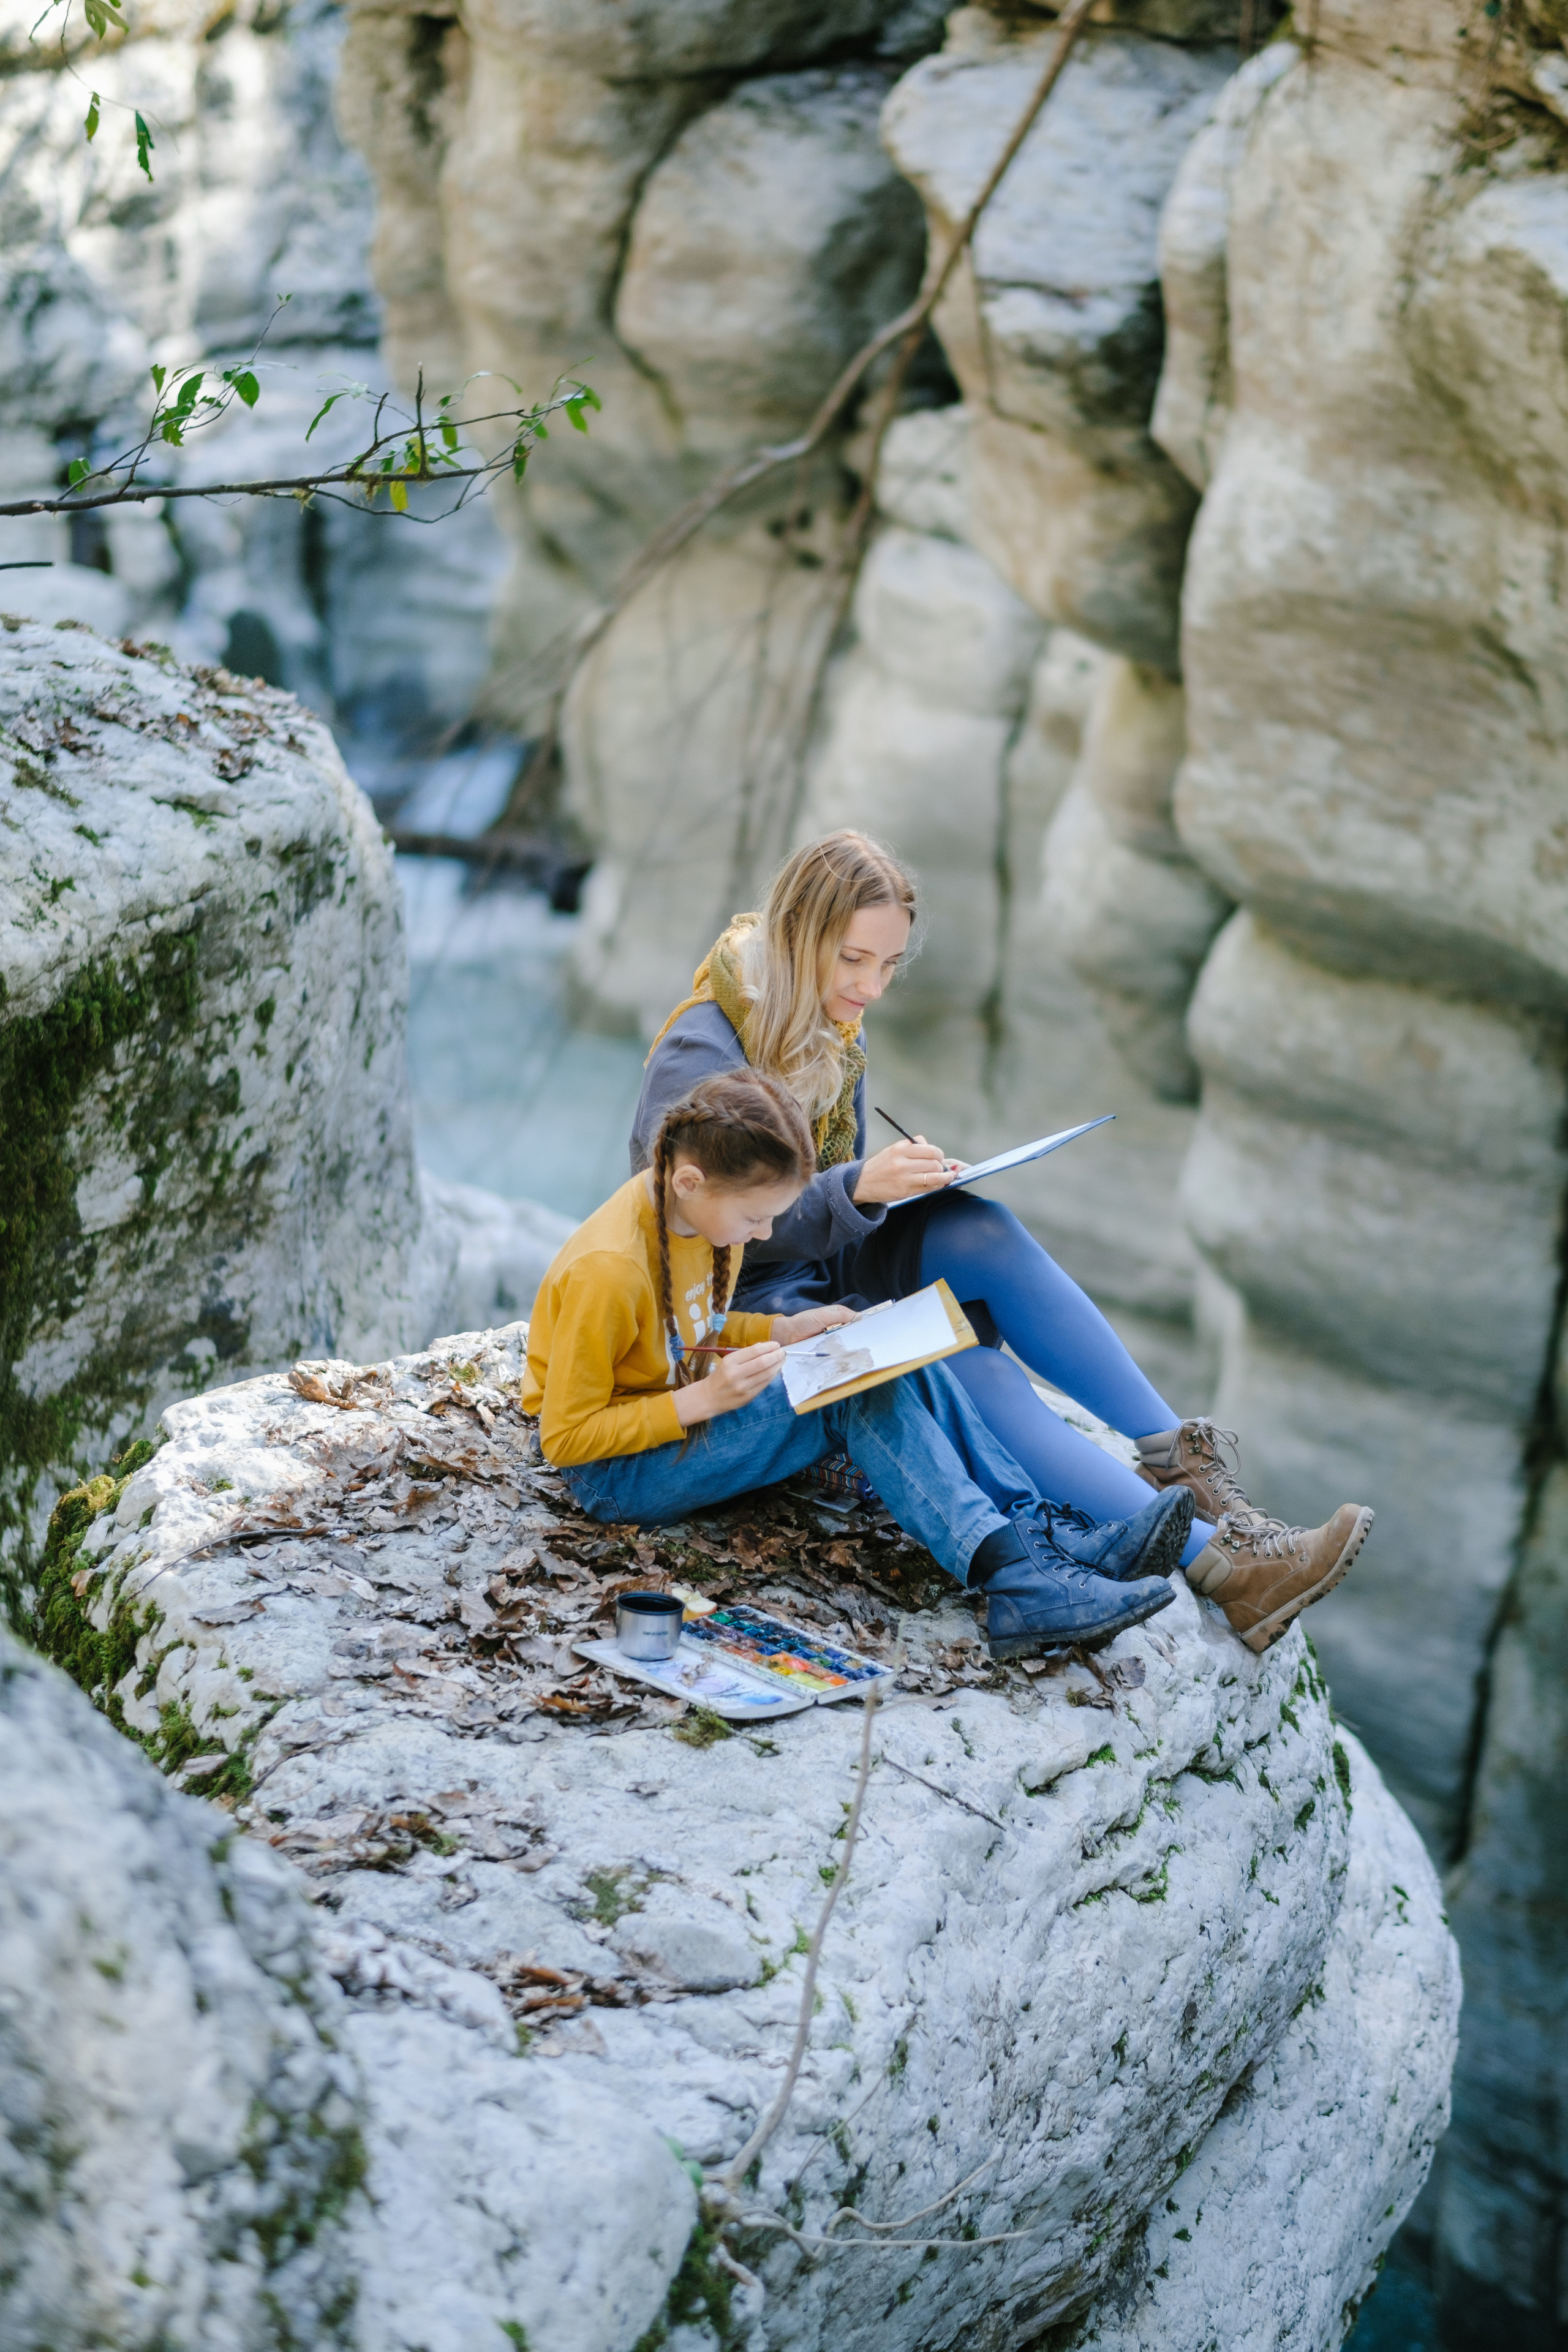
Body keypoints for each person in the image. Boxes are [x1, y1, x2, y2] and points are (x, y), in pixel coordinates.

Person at [628, 832, 1374, 1656]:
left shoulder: (829, 1026)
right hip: (740, 1307)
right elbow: (686, 1231)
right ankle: (1226, 1570)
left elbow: (821, 1191)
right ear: (798, 933)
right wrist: (858, 1187)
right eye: (854, 959)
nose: (871, 987)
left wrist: (894, 1185)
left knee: (978, 1228)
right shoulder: (703, 1050)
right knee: (965, 1363)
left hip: (816, 1260)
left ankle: (1182, 1466)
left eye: (889, 964)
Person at [525, 1069, 1191, 1659]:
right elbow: (566, 1439)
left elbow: (689, 1322)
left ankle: (1037, 1535)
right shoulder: (609, 1271)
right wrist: (702, 1400)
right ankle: (1014, 1581)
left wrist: (783, 1328)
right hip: (618, 1475)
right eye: (757, 1218)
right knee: (854, 1392)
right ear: (689, 1180)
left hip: (673, 1418)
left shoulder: (697, 1216)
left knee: (892, 1348)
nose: (764, 1235)